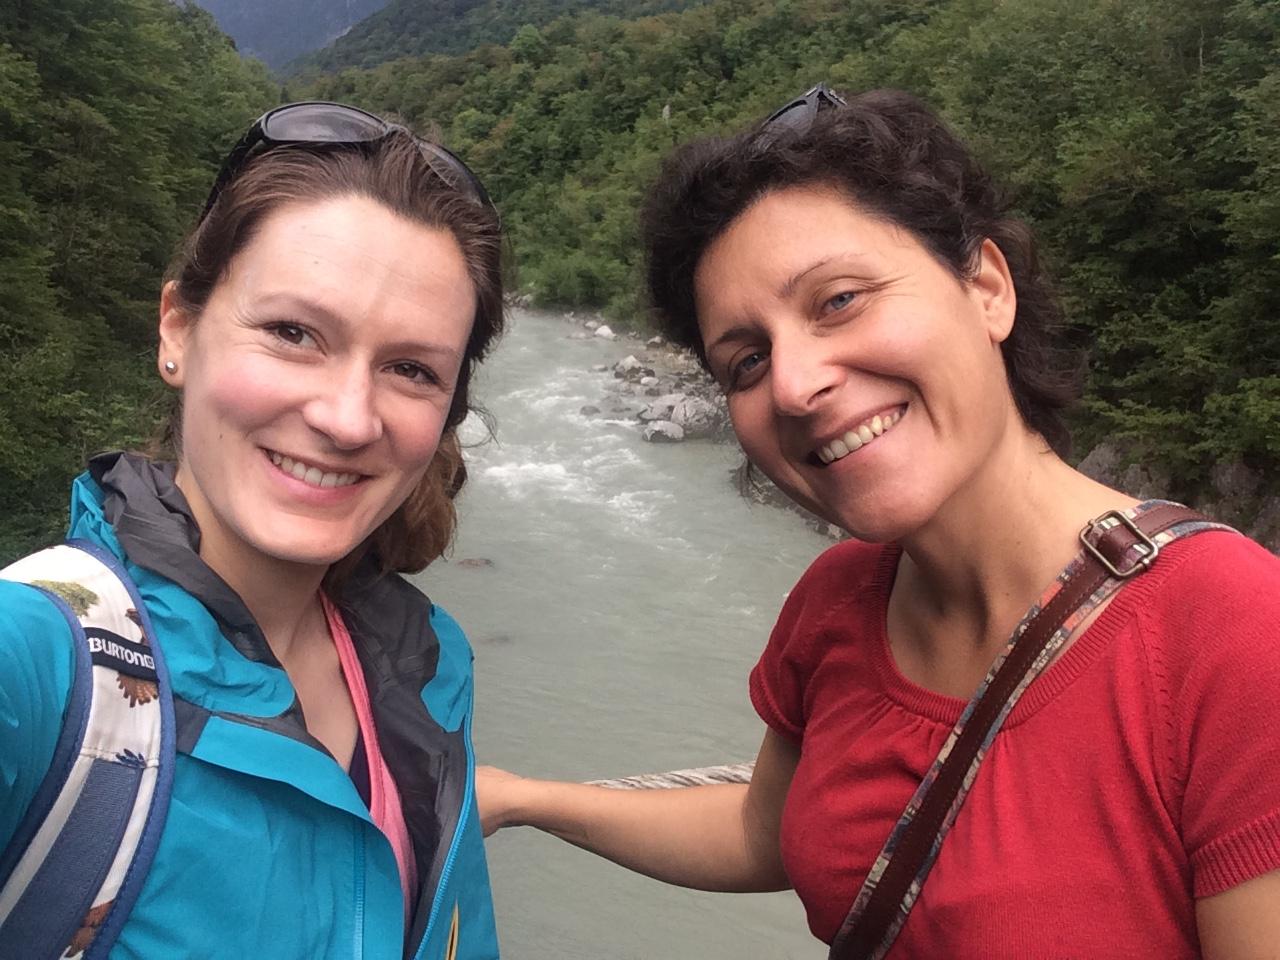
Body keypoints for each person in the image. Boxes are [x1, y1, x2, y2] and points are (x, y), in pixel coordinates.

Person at [477, 87, 1280, 957]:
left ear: (986, 290)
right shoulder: (838, 604)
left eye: (839, 300)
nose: (794, 384)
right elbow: (768, 831)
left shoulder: (1233, 633)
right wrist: (523, 799)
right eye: (746, 361)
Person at [0, 102, 503, 958]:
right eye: (293, 333)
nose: (348, 419)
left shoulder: (423, 663)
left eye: (411, 370)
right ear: (178, 328)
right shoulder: (38, 661)